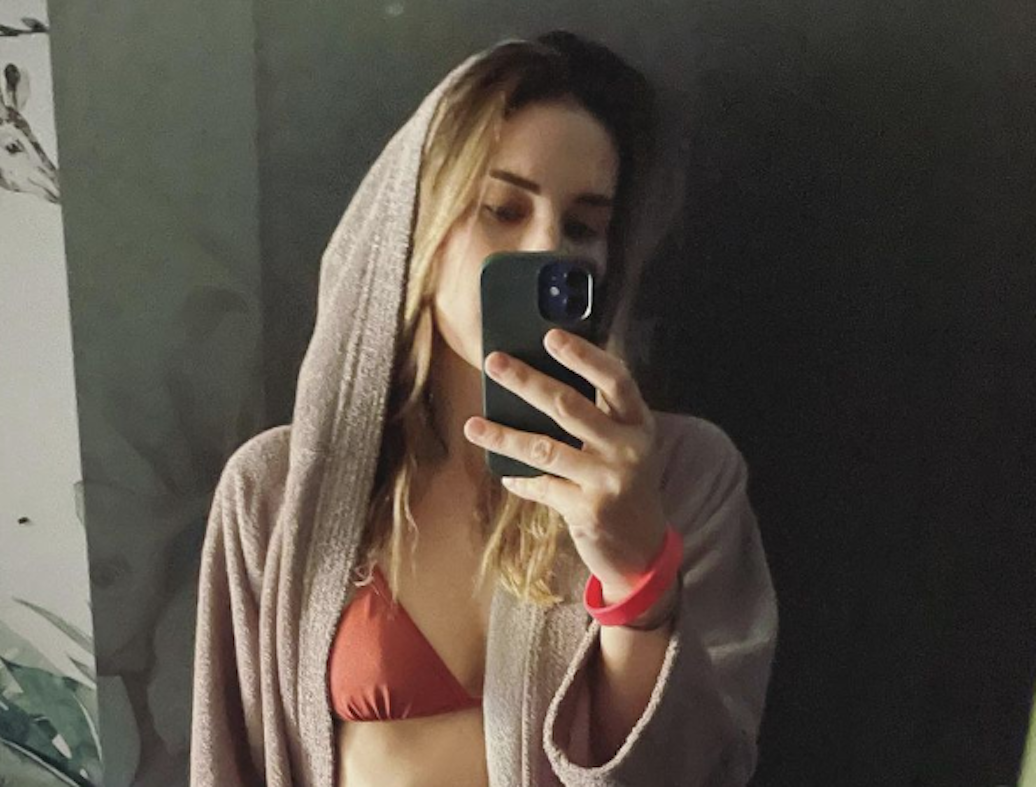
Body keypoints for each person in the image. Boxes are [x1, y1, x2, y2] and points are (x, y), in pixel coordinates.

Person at [190, 30, 778, 786]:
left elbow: (705, 772)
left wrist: (639, 578)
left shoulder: (686, 476)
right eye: (502, 208)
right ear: (418, 228)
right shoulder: (278, 492)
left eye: (583, 226)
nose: (546, 249)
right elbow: (227, 762)